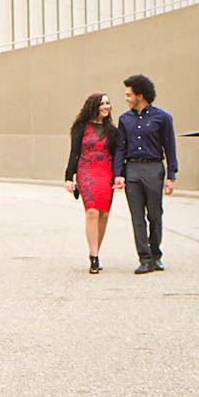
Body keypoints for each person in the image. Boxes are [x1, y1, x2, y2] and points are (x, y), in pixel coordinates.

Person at [112, 74, 178, 274]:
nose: (126, 98)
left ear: (140, 95)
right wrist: (119, 174)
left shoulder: (163, 118)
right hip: (132, 170)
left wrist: (171, 175)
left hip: (154, 169)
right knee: (137, 217)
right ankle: (144, 258)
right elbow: (120, 148)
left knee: (155, 215)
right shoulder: (124, 119)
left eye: (129, 94)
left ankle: (156, 254)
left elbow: (170, 147)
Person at [64, 92, 118, 274]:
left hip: (106, 172)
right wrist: (68, 177)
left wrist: (119, 176)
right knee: (92, 211)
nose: (105, 107)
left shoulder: (112, 130)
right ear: (93, 106)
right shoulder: (80, 127)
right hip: (86, 171)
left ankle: (97, 250)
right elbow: (74, 152)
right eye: (102, 103)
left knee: (103, 214)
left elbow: (117, 155)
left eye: (107, 103)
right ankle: (93, 257)